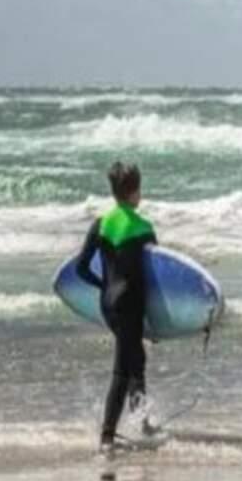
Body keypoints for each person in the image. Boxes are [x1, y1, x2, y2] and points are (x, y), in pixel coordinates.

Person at [74, 161, 158, 452]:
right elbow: (155, 279)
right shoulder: (144, 228)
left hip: (108, 305)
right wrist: (158, 323)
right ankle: (107, 438)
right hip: (130, 306)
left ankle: (141, 424)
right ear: (135, 192)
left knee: (136, 360)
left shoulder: (101, 224)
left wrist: (103, 287)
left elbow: (81, 269)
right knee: (123, 370)